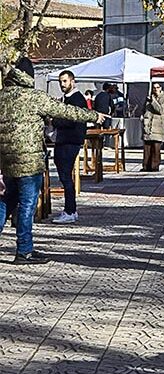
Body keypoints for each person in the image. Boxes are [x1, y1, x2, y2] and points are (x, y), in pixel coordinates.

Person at [0, 58, 105, 264]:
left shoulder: (2, 97)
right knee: (27, 206)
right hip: (29, 161)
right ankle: (24, 251)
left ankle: (25, 248)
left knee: (5, 201)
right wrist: (93, 116)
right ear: (29, 76)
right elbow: (67, 111)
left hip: (7, 160)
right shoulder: (34, 97)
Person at [51, 70, 90, 224]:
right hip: (65, 141)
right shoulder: (68, 98)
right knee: (64, 175)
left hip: (69, 141)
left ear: (72, 81)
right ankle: (70, 209)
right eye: (60, 81)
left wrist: (54, 121)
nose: (62, 84)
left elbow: (70, 120)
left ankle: (70, 210)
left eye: (65, 81)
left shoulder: (76, 99)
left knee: (66, 176)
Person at [142, 83, 164, 172]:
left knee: (156, 147)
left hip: (158, 125)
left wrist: (153, 100)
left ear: (161, 88)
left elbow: (161, 110)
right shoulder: (149, 98)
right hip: (148, 126)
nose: (155, 89)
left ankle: (155, 166)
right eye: (154, 88)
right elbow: (144, 109)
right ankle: (146, 166)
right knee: (147, 147)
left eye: (157, 87)